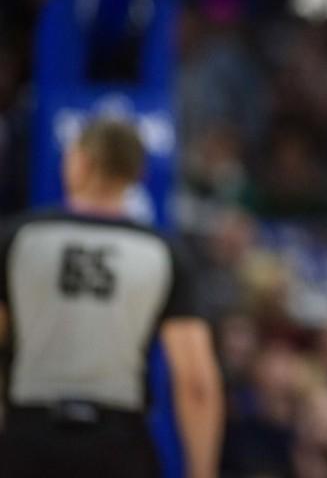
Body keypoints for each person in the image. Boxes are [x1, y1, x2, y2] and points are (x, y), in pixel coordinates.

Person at [0, 117, 223, 478]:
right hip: (118, 442)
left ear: (78, 162)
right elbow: (196, 382)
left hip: (29, 437)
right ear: (138, 174)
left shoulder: (18, 239)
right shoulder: (163, 252)